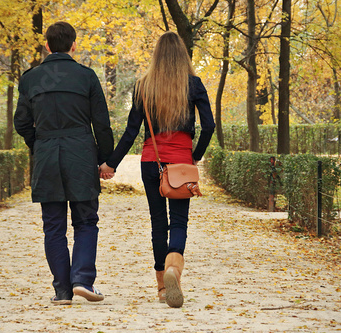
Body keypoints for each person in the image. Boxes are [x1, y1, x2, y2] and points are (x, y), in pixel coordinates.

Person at [99, 31, 215, 308]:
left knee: (157, 222)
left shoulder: (143, 86)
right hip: (181, 164)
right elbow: (209, 126)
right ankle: (175, 267)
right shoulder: (194, 84)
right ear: (182, 56)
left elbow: (130, 133)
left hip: (152, 161)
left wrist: (110, 164)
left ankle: (163, 286)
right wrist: (195, 156)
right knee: (178, 221)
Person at [14, 21, 114, 305]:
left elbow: (21, 121)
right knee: (86, 221)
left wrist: (39, 143)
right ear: (74, 45)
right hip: (81, 154)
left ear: (47, 46)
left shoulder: (31, 78)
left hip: (47, 155)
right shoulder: (86, 76)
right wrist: (104, 159)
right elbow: (101, 125)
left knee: (53, 225)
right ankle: (82, 279)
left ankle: (62, 290)